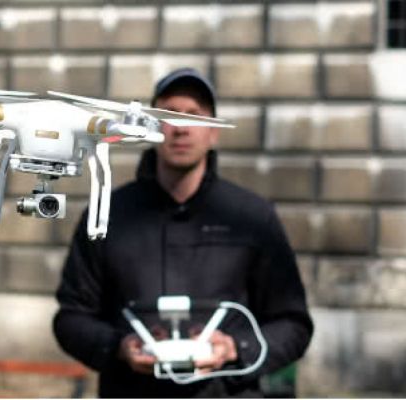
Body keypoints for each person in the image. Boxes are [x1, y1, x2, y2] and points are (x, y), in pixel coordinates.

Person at [52, 68, 313, 397]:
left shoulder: (252, 217)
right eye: (169, 114)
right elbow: (71, 318)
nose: (181, 128)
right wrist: (119, 346)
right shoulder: (108, 214)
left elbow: (293, 324)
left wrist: (235, 348)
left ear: (213, 132)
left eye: (194, 115)